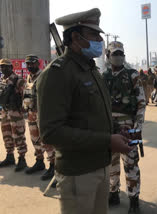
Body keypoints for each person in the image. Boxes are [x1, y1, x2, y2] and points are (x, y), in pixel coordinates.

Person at [37, 8, 132, 214]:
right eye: (94, 34)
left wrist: (116, 130)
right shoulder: (58, 73)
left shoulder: (91, 70)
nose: (100, 39)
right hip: (78, 174)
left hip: (101, 166)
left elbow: (94, 113)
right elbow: (51, 132)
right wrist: (107, 141)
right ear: (75, 37)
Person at [103, 41, 146, 214]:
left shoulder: (132, 75)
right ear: (108, 56)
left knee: (131, 164)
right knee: (111, 163)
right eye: (115, 54)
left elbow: (141, 102)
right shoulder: (103, 76)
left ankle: (134, 198)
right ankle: (113, 192)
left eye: (120, 53)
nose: (118, 57)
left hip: (129, 126)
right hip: (108, 128)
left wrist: (138, 126)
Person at [23, 55, 55, 180]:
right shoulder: (29, 77)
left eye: (32, 63)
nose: (30, 66)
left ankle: (53, 165)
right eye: (28, 64)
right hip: (31, 113)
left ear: (38, 63)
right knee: (34, 138)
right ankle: (39, 161)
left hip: (42, 114)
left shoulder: (44, 75)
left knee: (46, 140)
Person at [0, 58, 28, 171]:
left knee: (18, 135)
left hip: (16, 113)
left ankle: (22, 159)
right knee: (6, 135)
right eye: (2, 66)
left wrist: (23, 110)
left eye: (6, 66)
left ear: (11, 67)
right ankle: (10, 156)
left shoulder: (18, 80)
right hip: (4, 113)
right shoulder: (2, 80)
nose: (3, 68)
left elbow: (26, 96)